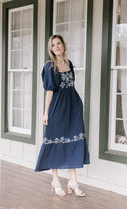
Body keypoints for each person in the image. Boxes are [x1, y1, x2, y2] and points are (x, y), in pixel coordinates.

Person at [35, 34, 90, 197]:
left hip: (73, 106)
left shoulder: (69, 63)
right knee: (56, 142)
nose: (56, 47)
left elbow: (71, 86)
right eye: (53, 45)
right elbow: (49, 91)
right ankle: (56, 180)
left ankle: (73, 181)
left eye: (58, 43)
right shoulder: (49, 66)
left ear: (63, 46)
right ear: (51, 49)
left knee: (73, 139)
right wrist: (46, 112)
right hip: (57, 107)